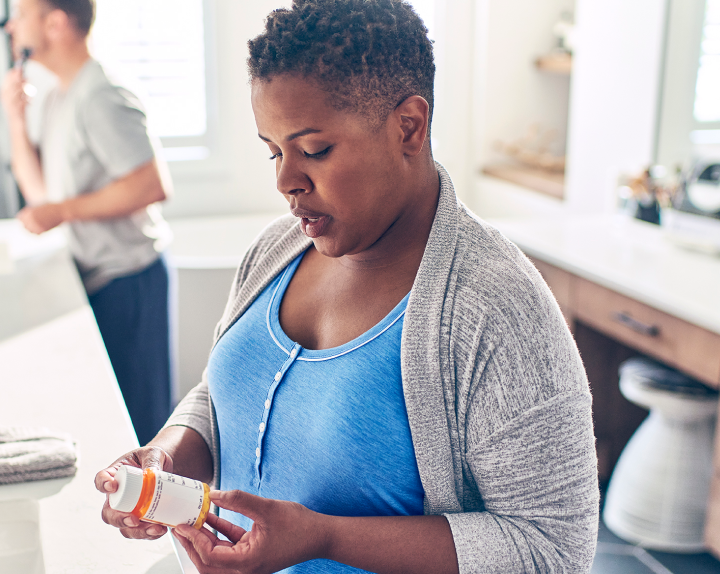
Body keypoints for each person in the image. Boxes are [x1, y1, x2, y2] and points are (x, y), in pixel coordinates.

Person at [95, 0, 600, 572]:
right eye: (274, 151)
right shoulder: (276, 250)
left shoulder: (496, 310)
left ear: (409, 126)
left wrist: (324, 538)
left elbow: (553, 549)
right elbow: (226, 395)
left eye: (314, 150)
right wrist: (165, 458)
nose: (286, 181)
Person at [1, 0, 173, 446]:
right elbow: (42, 195)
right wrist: (15, 121)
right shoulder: (60, 94)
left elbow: (150, 185)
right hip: (101, 279)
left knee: (143, 426)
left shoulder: (102, 96)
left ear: (55, 23)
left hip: (129, 280)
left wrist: (61, 213)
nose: (11, 24)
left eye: (21, 14)